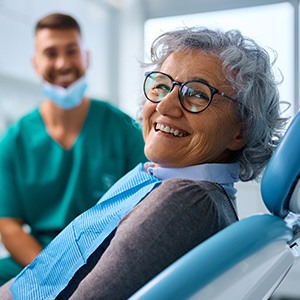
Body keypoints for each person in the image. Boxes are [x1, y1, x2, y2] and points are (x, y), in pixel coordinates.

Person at [0, 26, 288, 299]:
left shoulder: (185, 200)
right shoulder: (163, 180)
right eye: (162, 86)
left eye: (197, 94)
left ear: (240, 130)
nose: (164, 105)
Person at [0, 13, 146, 285]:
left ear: (86, 58)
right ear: (35, 64)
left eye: (72, 51)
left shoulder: (123, 130)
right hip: (40, 258)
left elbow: (146, 208)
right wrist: (51, 273)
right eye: (50, 53)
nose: (63, 63)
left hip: (109, 256)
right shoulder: (14, 141)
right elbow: (8, 225)